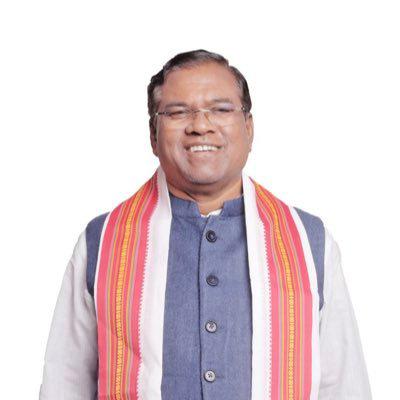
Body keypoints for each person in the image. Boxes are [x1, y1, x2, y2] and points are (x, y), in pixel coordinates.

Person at [39, 49, 372, 400]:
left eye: (221, 109)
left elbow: (345, 386)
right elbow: (64, 383)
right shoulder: (103, 242)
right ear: (153, 134)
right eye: (178, 112)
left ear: (249, 128)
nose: (200, 125)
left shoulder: (308, 242)